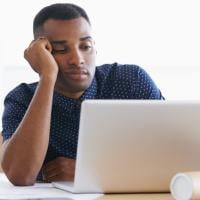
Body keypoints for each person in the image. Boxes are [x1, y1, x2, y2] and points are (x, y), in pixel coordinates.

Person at [0, 3, 164, 186]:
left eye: (85, 46)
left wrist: (90, 171)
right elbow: (20, 175)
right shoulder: (21, 99)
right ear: (42, 54)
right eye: (61, 49)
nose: (77, 60)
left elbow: (171, 154)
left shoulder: (131, 81)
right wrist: (47, 77)